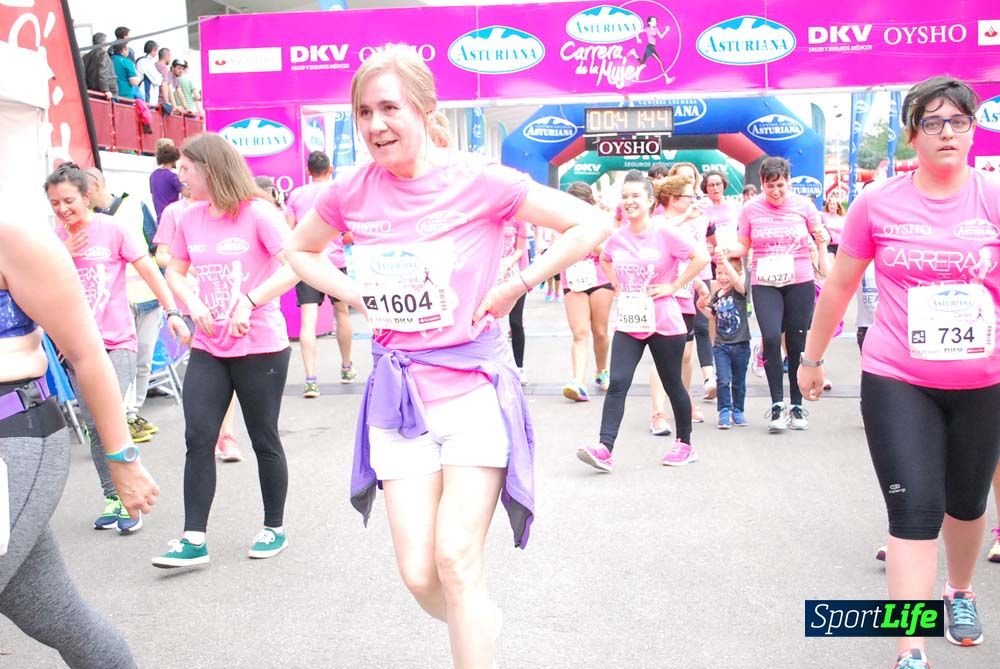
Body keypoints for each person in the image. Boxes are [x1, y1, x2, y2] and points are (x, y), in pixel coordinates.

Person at [284, 44, 611, 668]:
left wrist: (516, 285)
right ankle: (479, 622)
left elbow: (590, 225)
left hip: (473, 395)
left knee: (457, 559)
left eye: (389, 108)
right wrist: (360, 294)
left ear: (424, 108)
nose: (376, 125)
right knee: (419, 574)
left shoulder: (479, 180)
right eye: (363, 112)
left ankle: (473, 631)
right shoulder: (351, 191)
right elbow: (299, 252)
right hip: (400, 402)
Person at [799, 76, 1000, 669]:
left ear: (972, 130)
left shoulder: (993, 199)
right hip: (897, 377)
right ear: (912, 134)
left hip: (983, 380)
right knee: (913, 507)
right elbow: (838, 286)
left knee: (965, 504)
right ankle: (910, 649)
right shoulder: (877, 202)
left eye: (957, 121)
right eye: (932, 123)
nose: (946, 133)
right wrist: (811, 359)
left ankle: (958, 592)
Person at [0, 205, 158, 668]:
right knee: (59, 615)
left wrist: (122, 461)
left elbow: (88, 353)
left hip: (12, 439)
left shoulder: (12, 233)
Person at [154, 133, 300, 567]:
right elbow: (176, 272)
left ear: (211, 169)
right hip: (208, 346)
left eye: (186, 169)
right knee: (198, 438)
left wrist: (251, 301)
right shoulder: (188, 217)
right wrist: (193, 303)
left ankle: (274, 527)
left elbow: (297, 265)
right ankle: (193, 538)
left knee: (263, 438)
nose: (180, 177)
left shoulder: (259, 213)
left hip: (260, 347)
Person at [48, 163, 187, 533]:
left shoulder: (113, 230)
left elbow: (149, 271)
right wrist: (61, 251)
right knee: (95, 424)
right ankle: (113, 494)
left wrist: (172, 311)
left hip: (116, 342)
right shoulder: (52, 238)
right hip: (75, 347)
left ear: (86, 196)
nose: (62, 209)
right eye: (55, 203)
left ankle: (131, 496)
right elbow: (39, 287)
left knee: (112, 418)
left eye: (68, 201)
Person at [578, 170, 709, 471]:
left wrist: (674, 287)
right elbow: (605, 259)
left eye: (636, 196)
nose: (629, 201)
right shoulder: (618, 237)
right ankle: (604, 448)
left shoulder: (665, 232)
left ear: (651, 200)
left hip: (664, 320)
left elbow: (700, 257)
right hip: (630, 321)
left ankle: (685, 444)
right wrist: (618, 286)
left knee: (672, 383)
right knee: (618, 381)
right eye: (625, 197)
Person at [716, 157, 828, 433]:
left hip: (799, 279)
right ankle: (777, 404)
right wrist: (725, 251)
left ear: (788, 181)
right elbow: (743, 245)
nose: (775, 192)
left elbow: (819, 235)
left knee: (796, 342)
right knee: (768, 337)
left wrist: (822, 239)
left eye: (780, 185)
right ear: (762, 185)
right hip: (765, 281)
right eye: (769, 187)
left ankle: (797, 404)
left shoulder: (803, 205)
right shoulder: (751, 208)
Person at [285, 151, 357, 397]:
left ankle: (310, 379)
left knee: (308, 319)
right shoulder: (338, 192)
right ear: (331, 169)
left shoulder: (296, 194)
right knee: (342, 313)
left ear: (308, 171)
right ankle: (346, 367)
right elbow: (350, 232)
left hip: (307, 261)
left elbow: (290, 229)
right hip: (335, 260)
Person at [560, 182, 613, 401]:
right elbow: (556, 249)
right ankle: (578, 381)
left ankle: (602, 371)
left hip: (599, 277)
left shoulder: (600, 219)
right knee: (579, 333)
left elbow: (607, 250)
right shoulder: (559, 221)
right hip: (573, 279)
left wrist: (586, 241)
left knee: (600, 331)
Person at [700, 255, 750, 428]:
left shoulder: (739, 291)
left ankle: (738, 410)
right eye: (718, 273)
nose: (722, 277)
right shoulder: (717, 296)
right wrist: (702, 308)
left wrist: (727, 262)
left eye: (726, 273)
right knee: (723, 379)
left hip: (741, 344)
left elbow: (737, 281)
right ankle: (724, 411)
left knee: (739, 381)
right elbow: (713, 316)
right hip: (721, 345)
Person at [150, 139, 186, 222]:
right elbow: (189, 194)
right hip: (173, 219)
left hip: (160, 219)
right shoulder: (172, 177)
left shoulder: (154, 175)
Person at [83, 33, 117, 99]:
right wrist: (106, 90)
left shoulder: (86, 56)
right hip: (103, 93)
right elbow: (102, 73)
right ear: (104, 42)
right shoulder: (103, 55)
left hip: (90, 91)